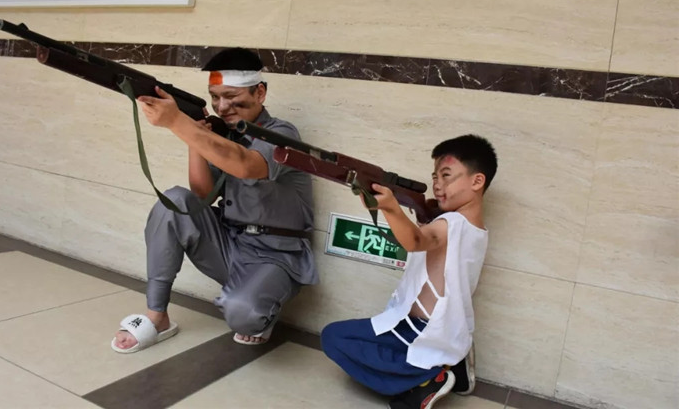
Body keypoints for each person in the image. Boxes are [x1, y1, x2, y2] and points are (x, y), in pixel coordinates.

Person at [111, 48, 317, 353]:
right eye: (215, 97)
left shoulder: (282, 133)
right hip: (230, 243)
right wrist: (194, 136)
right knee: (174, 201)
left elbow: (246, 165)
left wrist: (177, 123)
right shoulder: (224, 136)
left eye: (231, 96)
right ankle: (157, 315)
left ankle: (258, 306)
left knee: (243, 316)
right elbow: (201, 195)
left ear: (260, 93)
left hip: (276, 255)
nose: (221, 107)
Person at [321, 135, 497, 409]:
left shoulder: (450, 223)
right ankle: (450, 362)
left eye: (447, 175)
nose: (437, 184)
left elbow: (414, 241)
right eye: (435, 176)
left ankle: (428, 379)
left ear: (477, 181)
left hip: (418, 330)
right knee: (344, 337)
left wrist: (390, 207)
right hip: (432, 328)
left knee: (333, 338)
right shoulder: (474, 229)